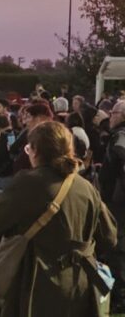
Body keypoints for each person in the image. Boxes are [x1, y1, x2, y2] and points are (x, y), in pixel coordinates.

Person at [0, 121, 118, 317]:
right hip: (80, 287)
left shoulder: (26, 183)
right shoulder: (86, 187)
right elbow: (109, 237)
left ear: (36, 151)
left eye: (28, 148)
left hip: (36, 284)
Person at [100, 100, 125, 311]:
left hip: (118, 202)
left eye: (114, 113)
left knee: (117, 247)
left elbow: (119, 152)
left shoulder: (120, 135)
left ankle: (119, 297)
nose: (111, 116)